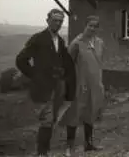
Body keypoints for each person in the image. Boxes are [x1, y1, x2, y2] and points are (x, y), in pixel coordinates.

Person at [15, 9, 76, 157]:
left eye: (60, 21)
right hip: (43, 87)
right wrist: (35, 76)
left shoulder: (60, 41)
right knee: (46, 120)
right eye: (55, 20)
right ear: (47, 20)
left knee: (52, 119)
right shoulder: (38, 39)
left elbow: (66, 63)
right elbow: (21, 60)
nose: (58, 23)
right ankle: (42, 153)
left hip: (57, 87)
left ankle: (44, 151)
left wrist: (68, 82)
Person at [58, 15, 105, 156]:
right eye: (90, 25)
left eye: (95, 26)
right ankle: (69, 147)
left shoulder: (100, 43)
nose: (92, 28)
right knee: (74, 114)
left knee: (90, 113)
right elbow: (67, 65)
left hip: (95, 85)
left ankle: (88, 144)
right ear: (85, 26)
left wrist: (99, 83)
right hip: (80, 85)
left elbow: (98, 63)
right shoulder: (76, 43)